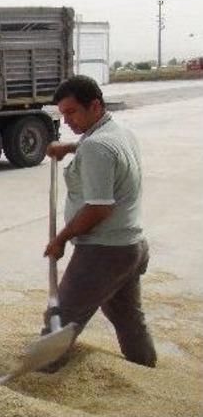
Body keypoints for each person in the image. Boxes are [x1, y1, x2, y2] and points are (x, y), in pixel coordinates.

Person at [43, 75, 156, 369]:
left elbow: (98, 209)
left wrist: (61, 238)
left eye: (71, 112)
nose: (66, 120)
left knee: (61, 317)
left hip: (104, 251)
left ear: (94, 106)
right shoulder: (119, 132)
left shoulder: (97, 147)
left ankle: (39, 376)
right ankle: (145, 367)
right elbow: (96, 148)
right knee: (127, 317)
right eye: (62, 113)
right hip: (130, 245)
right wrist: (69, 148)